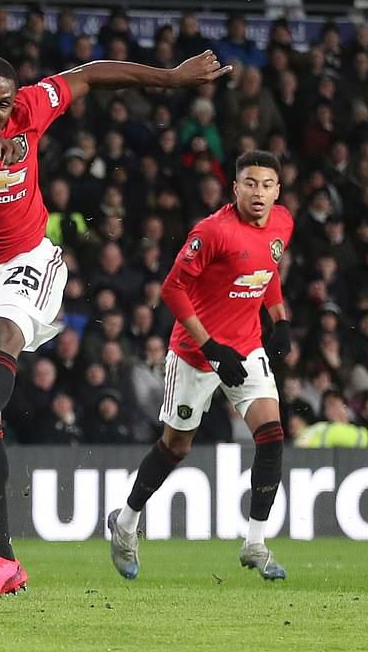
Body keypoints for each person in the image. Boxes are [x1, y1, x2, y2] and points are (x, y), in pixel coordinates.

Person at [0, 51, 230, 604]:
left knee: (2, 335)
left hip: (29, 257)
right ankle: (3, 560)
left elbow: (90, 75)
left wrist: (170, 79)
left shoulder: (31, 108)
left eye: (2, 104)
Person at [106, 150, 294, 582]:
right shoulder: (212, 231)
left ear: (277, 191)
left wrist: (280, 318)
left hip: (246, 347)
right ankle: (126, 523)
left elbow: (268, 270)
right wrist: (210, 347)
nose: (259, 192)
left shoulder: (282, 222)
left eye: (267, 185)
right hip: (195, 353)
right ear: (235, 187)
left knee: (271, 436)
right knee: (176, 447)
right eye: (250, 183)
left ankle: (255, 543)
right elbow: (172, 289)